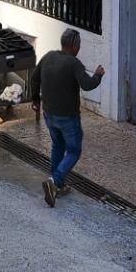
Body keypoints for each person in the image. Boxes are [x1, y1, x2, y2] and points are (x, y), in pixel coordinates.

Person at [35, 28, 104, 207]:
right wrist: (98, 75)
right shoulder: (74, 63)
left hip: (49, 114)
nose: (79, 47)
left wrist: (35, 99)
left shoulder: (48, 56)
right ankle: (54, 180)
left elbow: (34, 78)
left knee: (57, 145)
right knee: (74, 151)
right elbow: (88, 85)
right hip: (68, 117)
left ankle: (57, 185)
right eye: (79, 44)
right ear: (74, 45)